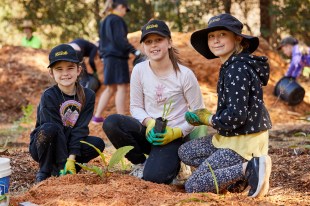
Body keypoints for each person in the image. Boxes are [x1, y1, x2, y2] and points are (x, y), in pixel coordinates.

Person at [178, 13, 272, 198]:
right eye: (211, 36)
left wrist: (208, 119)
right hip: (234, 137)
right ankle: (238, 179)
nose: (215, 40)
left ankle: (250, 168)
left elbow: (237, 115)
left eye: (222, 34)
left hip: (244, 142)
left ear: (237, 38)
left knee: (193, 186)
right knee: (186, 151)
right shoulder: (232, 64)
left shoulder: (237, 68)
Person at [102, 19, 205, 184]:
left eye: (159, 40)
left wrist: (177, 132)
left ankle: (178, 165)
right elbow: (135, 107)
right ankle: (141, 163)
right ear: (143, 46)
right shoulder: (139, 70)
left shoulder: (185, 75)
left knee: (154, 178)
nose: (154, 45)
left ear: (169, 42)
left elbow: (199, 113)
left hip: (173, 136)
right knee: (112, 123)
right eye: (148, 42)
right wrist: (149, 122)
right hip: (149, 133)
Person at [29, 44, 105, 183]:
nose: (65, 73)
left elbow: (80, 129)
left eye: (70, 68)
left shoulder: (88, 95)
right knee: (50, 128)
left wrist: (71, 158)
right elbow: (54, 130)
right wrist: (64, 160)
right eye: (59, 69)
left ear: (79, 70)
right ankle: (45, 171)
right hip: (45, 144)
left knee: (97, 143)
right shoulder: (49, 96)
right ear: (51, 73)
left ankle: (69, 168)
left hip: (69, 142)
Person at [92, 0, 141, 123]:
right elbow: (120, 40)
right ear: (120, 7)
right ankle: (122, 118)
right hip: (118, 58)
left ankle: (97, 117)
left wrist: (103, 56)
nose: (125, 12)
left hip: (108, 58)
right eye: (125, 9)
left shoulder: (104, 21)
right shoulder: (117, 20)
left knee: (110, 88)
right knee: (122, 87)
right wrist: (135, 51)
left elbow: (101, 41)